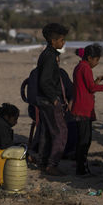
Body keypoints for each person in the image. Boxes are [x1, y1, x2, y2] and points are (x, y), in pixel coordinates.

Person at [71, 44, 103, 175]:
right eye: (96, 60)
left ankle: (81, 167)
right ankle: (82, 169)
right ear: (90, 58)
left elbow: (87, 85)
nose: (96, 63)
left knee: (83, 139)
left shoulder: (80, 66)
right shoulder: (85, 68)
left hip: (81, 107)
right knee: (84, 140)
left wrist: (97, 81)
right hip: (83, 109)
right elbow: (91, 88)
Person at [34, 22, 70, 176]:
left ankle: (42, 161)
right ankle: (52, 164)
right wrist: (54, 98)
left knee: (46, 131)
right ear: (53, 41)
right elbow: (44, 81)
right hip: (49, 100)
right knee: (61, 132)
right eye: (61, 40)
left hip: (43, 99)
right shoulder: (50, 56)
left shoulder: (48, 54)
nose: (63, 43)